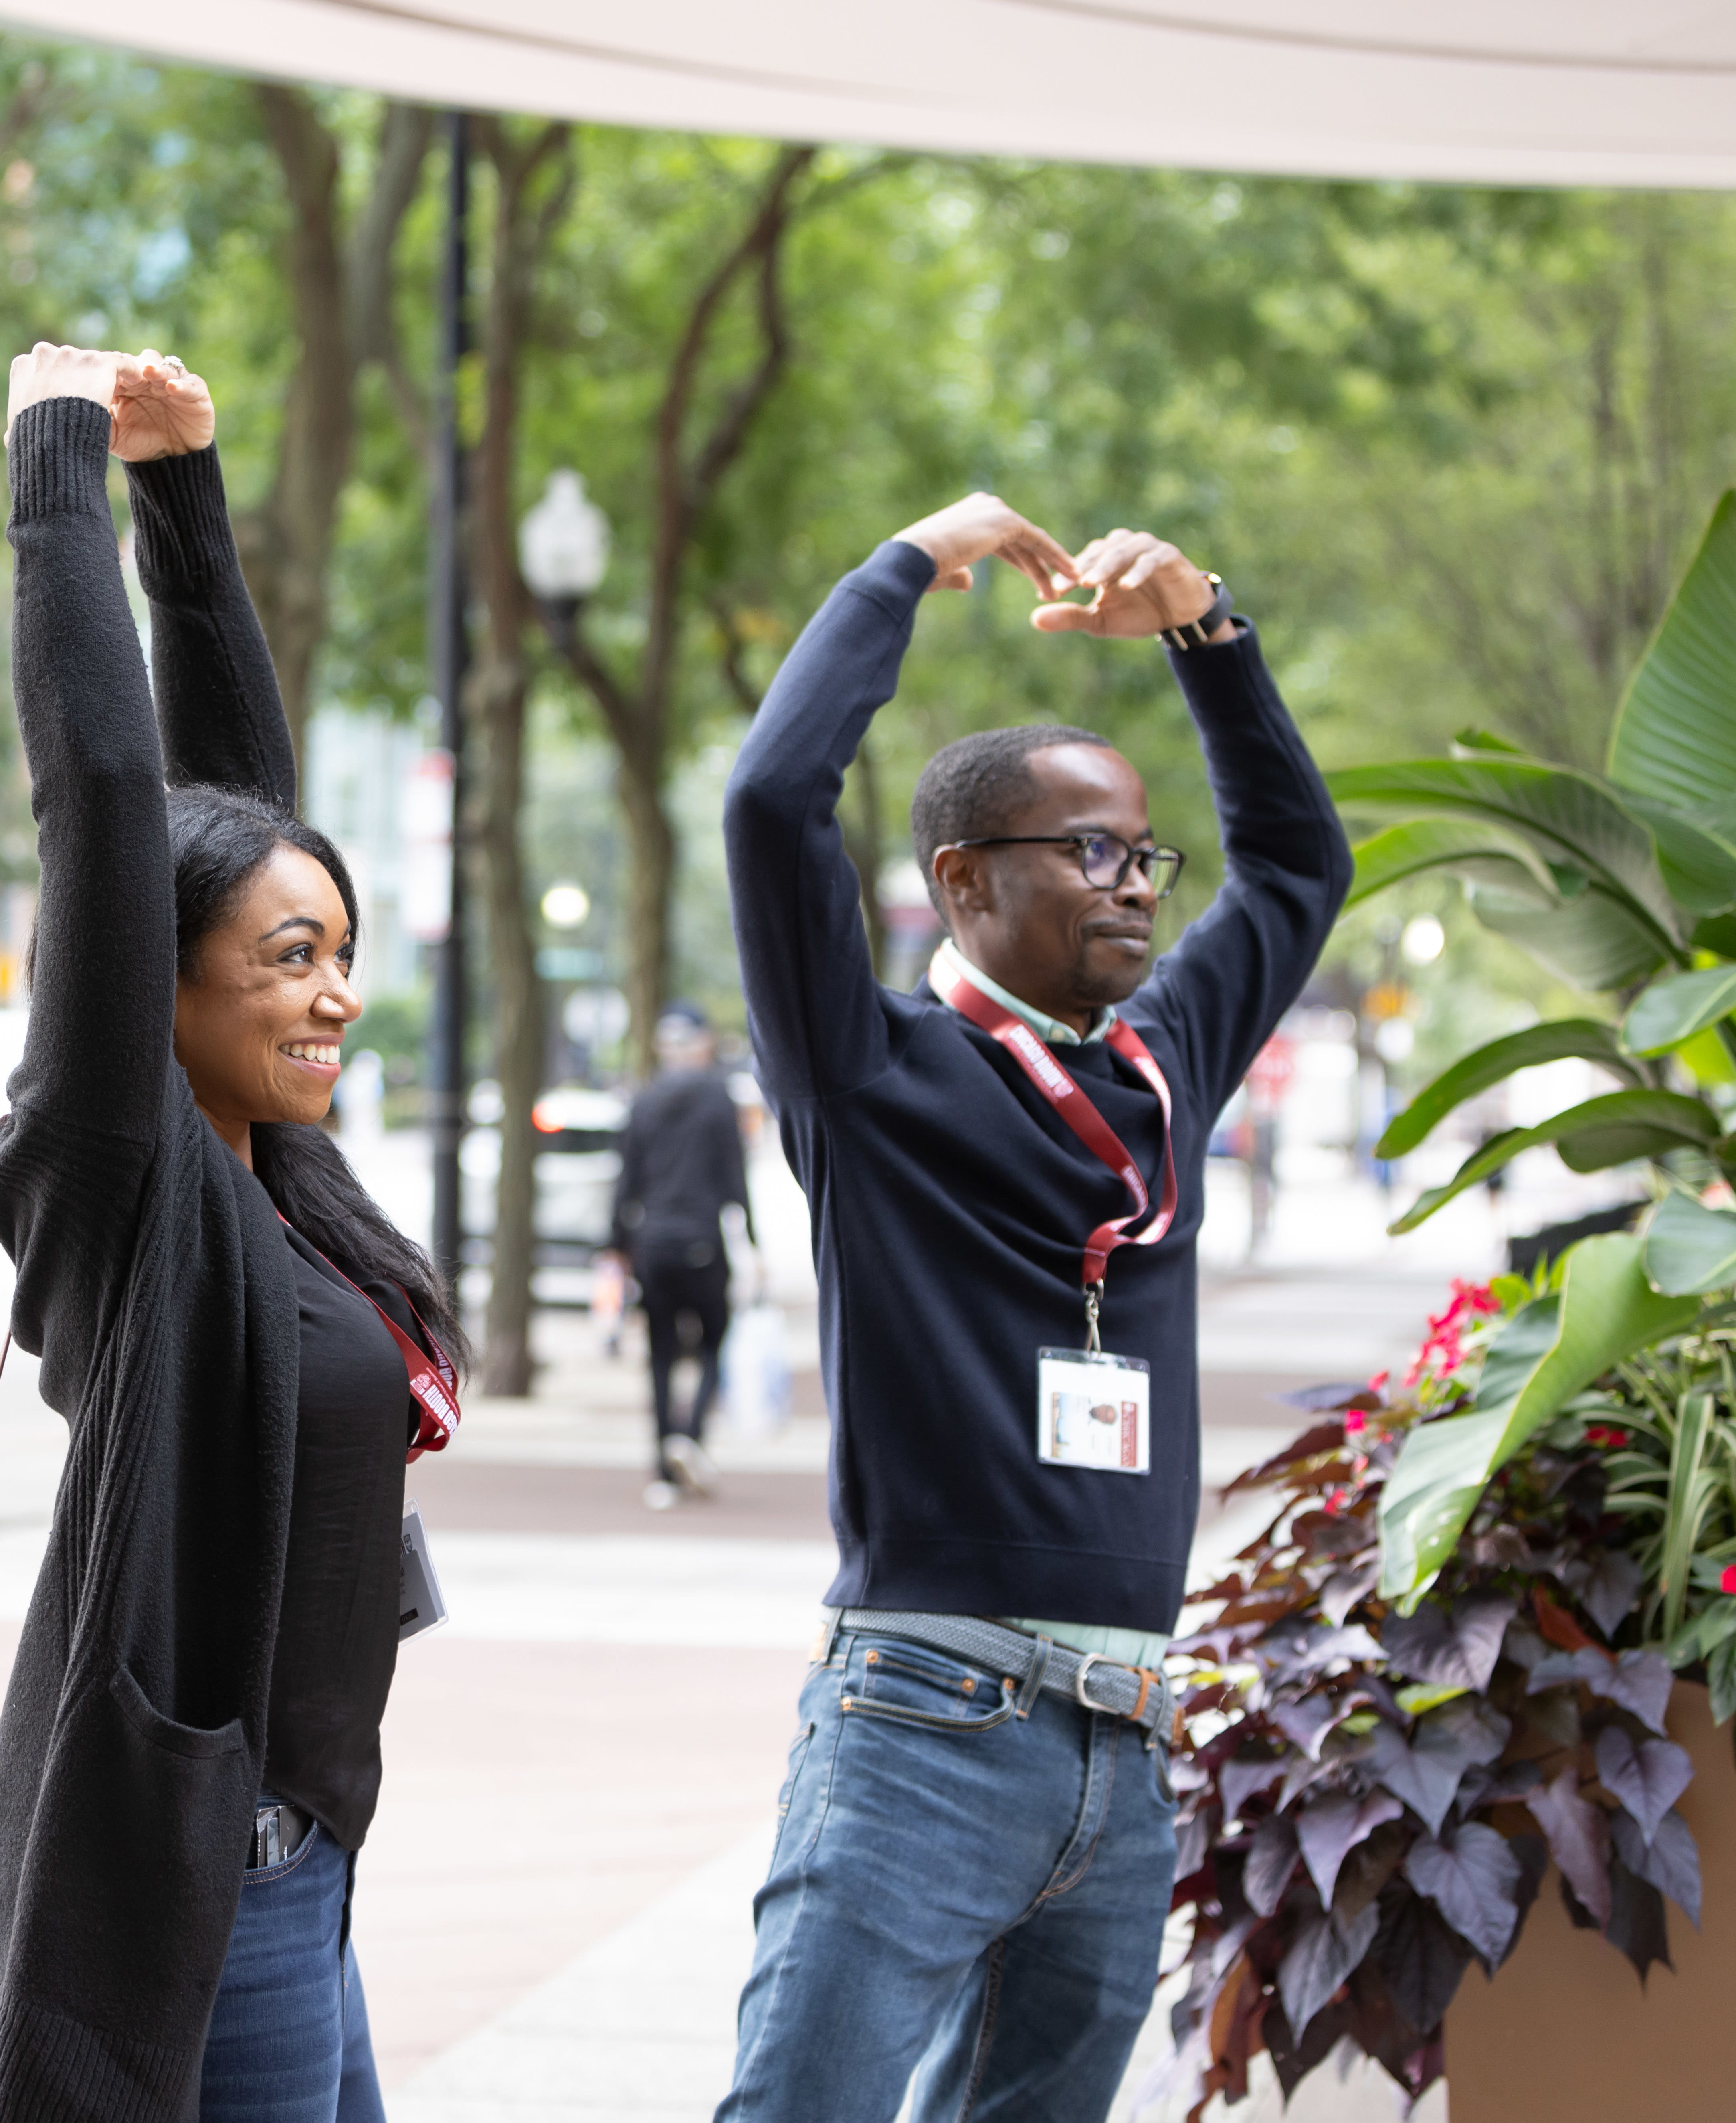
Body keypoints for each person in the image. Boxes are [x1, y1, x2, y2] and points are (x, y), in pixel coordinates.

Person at [715, 493, 1348, 2120]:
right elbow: (773, 795)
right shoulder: (864, 1072)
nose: (1132, 883)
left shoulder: (1166, 1066)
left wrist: (1208, 630)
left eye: (1140, 851)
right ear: (957, 881)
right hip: (923, 1713)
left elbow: (1294, 862)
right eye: (1087, 850)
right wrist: (904, 569)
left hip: (1127, 1739)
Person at [0, 344, 467, 2123]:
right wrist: (58, 475)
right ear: (146, 989)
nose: (332, 993)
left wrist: (187, 498)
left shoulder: (278, 1178)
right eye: (286, 963)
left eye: (340, 953)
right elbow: (110, 804)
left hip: (301, 1864)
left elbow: (230, 818)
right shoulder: (129, 1180)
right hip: (202, 1885)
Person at [606, 1004, 750, 1507]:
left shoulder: (644, 1100)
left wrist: (616, 1246)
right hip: (703, 1244)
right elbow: (735, 1179)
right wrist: (752, 1241)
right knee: (714, 1344)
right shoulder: (718, 1099)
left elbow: (626, 1180)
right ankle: (690, 1436)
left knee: (661, 1356)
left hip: (653, 1244)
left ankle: (663, 1470)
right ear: (704, 1044)